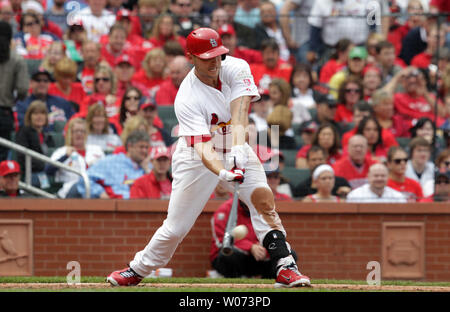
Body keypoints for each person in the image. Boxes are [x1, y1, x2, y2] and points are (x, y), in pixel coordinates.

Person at [107, 27, 311, 288]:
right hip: (195, 156)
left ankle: (284, 265)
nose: (215, 62)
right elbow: (203, 148)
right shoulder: (187, 97)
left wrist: (237, 150)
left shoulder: (236, 67)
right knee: (176, 227)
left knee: (262, 199)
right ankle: (137, 269)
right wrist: (222, 173)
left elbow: (240, 113)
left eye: (218, 55)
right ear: (191, 57)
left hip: (234, 143)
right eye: (207, 57)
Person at [71, 129, 151, 198]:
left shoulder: (149, 167)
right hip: (116, 209)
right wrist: (101, 193)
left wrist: (147, 169)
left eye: (146, 147)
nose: (144, 151)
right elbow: (85, 179)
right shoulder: (112, 162)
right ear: (130, 147)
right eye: (141, 147)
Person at [210, 198, 275, 278]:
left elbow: (272, 235)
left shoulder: (263, 209)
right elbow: (221, 241)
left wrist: (264, 248)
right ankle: (233, 284)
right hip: (230, 257)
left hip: (254, 257)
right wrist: (250, 247)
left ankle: (268, 288)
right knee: (228, 254)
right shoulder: (226, 209)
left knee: (285, 255)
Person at [48, 118, 105, 198]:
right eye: (76, 131)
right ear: (69, 134)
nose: (79, 134)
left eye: (82, 131)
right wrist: (65, 156)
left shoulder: (96, 150)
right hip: (70, 189)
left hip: (95, 188)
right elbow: (48, 170)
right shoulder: (62, 151)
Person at [0, 21, 29, 161]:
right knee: (2, 156)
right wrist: (13, 98)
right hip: (4, 112)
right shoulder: (17, 60)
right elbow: (23, 89)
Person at [15, 100, 55, 188]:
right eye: (36, 113)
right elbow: (22, 156)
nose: (39, 116)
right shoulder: (24, 132)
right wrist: (44, 165)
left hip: (46, 171)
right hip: (31, 173)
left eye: (42, 113)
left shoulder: (47, 135)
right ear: (30, 117)